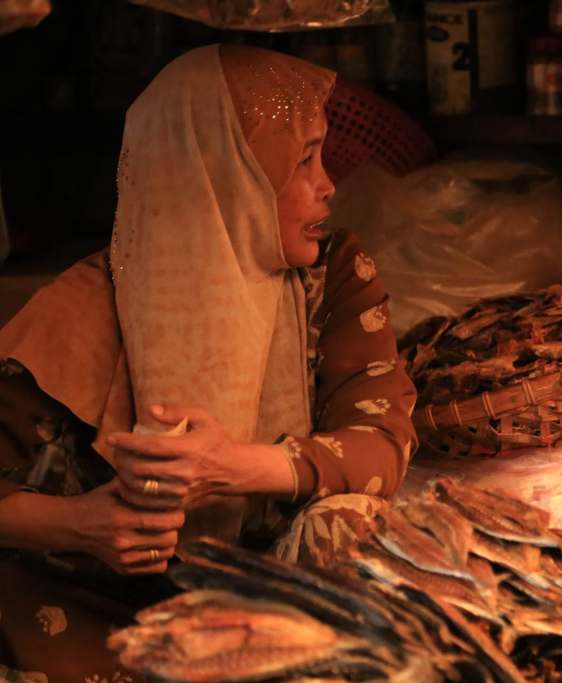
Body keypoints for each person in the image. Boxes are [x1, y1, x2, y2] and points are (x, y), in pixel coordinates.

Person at [0, 44, 417, 681]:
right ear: (219, 176)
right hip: (104, 602)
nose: (329, 184)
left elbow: (383, 444)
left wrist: (232, 468)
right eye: (303, 161)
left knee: (352, 524)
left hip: (273, 589)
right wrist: (82, 524)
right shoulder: (79, 311)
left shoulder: (331, 277)